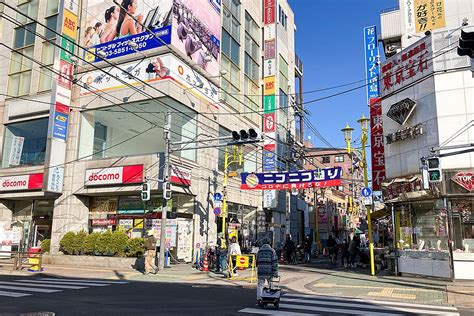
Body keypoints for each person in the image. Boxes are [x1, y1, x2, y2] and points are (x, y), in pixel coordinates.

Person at [256, 237, 278, 305]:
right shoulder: (272, 251)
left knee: (260, 285)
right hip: (269, 271)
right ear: (269, 243)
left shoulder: (259, 251)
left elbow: (257, 261)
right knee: (271, 284)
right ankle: (271, 297)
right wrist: (275, 272)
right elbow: (274, 262)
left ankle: (259, 299)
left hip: (261, 271)